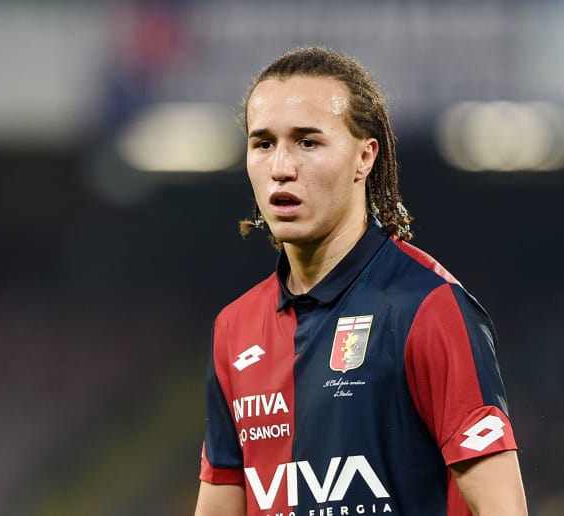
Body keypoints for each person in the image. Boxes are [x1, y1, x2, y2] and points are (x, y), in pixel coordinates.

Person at [195, 47, 527, 516]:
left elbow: (503, 507)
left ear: (364, 157)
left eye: (308, 142)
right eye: (263, 144)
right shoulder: (235, 328)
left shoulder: (427, 307)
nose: (281, 167)